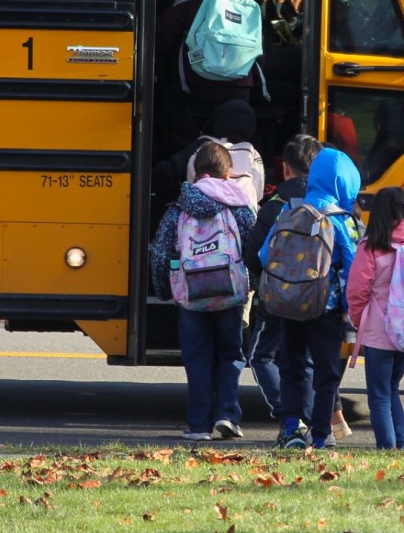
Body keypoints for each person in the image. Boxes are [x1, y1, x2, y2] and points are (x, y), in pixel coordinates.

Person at [149, 141, 258, 441]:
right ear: (228, 174)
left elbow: (160, 251)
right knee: (230, 355)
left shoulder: (179, 209)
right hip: (230, 292)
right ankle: (227, 415)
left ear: (196, 173)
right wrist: (255, 285)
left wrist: (164, 290)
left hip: (191, 296)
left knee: (197, 358)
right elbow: (253, 248)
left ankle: (198, 426)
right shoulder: (238, 206)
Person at [259, 147, 362, 450]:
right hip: (325, 311)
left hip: (289, 306)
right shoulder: (341, 219)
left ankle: (290, 428)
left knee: (290, 367)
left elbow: (264, 254)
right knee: (326, 372)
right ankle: (319, 435)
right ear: (345, 183)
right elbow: (353, 271)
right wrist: (348, 310)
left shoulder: (288, 210)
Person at [153, 0, 265, 145]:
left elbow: (161, 37)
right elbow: (259, 50)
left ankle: (191, 147)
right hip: (240, 89)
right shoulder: (247, 1)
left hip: (196, 87)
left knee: (168, 97)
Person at [244, 134, 323, 420]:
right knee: (310, 359)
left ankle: (286, 412)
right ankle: (312, 417)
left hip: (277, 299)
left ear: (285, 168)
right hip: (316, 298)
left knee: (261, 356)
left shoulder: (275, 205)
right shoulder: (327, 205)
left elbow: (253, 254)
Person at [345, 186, 404, 450]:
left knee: (379, 395)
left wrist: (359, 322)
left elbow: (357, 290)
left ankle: (387, 447)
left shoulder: (372, 248)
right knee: (392, 388)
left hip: (380, 331)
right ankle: (400, 445)